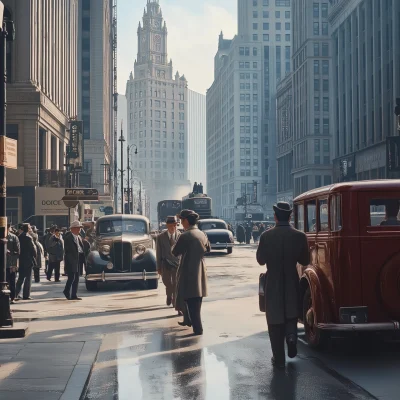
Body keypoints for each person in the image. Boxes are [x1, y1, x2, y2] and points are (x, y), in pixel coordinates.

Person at [256, 202, 310, 368]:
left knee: (274, 319)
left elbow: (260, 260)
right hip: (292, 280)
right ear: (290, 216)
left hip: (273, 281)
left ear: (275, 216)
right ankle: (292, 337)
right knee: (291, 314)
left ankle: (278, 357)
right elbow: (305, 260)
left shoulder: (266, 236)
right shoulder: (300, 236)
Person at [172, 209, 210, 336]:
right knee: (197, 300)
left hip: (188, 270)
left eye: (182, 220)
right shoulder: (202, 233)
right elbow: (208, 248)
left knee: (190, 299)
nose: (181, 223)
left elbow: (175, 252)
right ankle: (190, 321)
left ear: (186, 221)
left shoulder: (185, 235)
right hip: (200, 269)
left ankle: (198, 329)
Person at [156, 216, 181, 308]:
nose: (172, 228)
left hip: (176, 263)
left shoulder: (180, 236)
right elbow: (158, 253)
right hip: (165, 263)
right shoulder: (160, 237)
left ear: (176, 225)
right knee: (167, 282)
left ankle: (174, 299)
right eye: (170, 226)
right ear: (167, 225)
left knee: (175, 282)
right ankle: (169, 295)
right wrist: (158, 267)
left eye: (174, 225)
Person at [63, 220, 85, 300]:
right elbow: (68, 251)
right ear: (73, 229)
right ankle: (66, 291)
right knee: (71, 277)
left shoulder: (78, 237)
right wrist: (70, 261)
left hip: (78, 259)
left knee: (77, 278)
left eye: (79, 228)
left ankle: (74, 294)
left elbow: (81, 248)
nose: (79, 230)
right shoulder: (68, 238)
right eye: (78, 228)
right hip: (72, 260)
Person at [16, 223, 37, 300]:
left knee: (21, 278)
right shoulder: (29, 237)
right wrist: (35, 256)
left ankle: (16, 293)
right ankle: (26, 295)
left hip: (21, 259)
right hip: (28, 260)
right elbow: (33, 249)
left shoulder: (19, 237)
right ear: (28, 229)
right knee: (28, 278)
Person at [6, 223, 20, 304]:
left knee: (12, 281)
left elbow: (17, 251)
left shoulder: (14, 237)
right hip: (3, 264)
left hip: (11, 263)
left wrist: (14, 264)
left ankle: (12, 297)